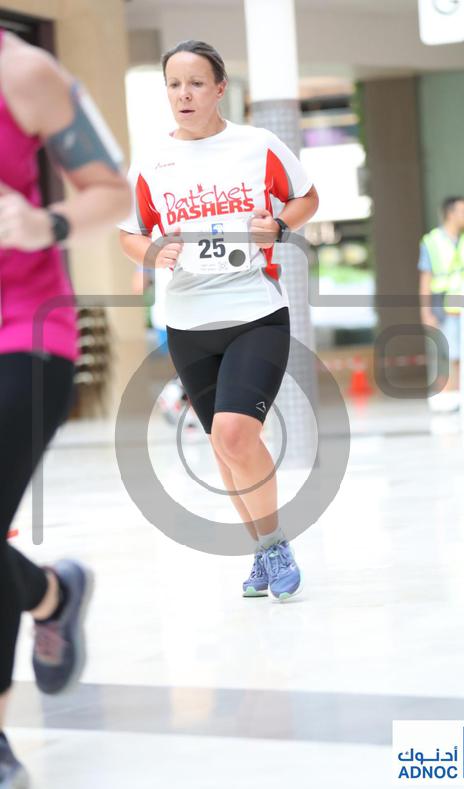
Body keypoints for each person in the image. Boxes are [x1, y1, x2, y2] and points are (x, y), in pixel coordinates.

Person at [119, 40, 319, 601]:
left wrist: (279, 227)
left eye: (196, 83)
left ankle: (274, 543)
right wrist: (151, 252)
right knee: (222, 446)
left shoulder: (257, 144)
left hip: (255, 311)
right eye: (174, 84)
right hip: (187, 322)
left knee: (235, 433)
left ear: (220, 88)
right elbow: (130, 233)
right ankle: (262, 551)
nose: (184, 94)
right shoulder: (151, 161)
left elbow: (306, 198)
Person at [0, 29, 131, 787]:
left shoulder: (24, 72)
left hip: (25, 331)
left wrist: (43, 224)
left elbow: (111, 190)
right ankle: (52, 593)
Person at [418, 196, 464, 407]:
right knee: (451, 353)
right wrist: (425, 312)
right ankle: (452, 397)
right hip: (444, 306)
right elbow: (426, 278)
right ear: (450, 214)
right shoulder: (431, 241)